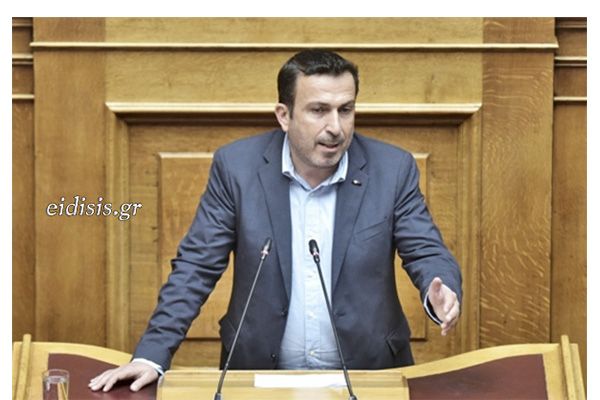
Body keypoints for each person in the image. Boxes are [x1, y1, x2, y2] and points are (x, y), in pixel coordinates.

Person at [90, 49, 462, 393]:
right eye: (319, 110)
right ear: (284, 115)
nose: (336, 127)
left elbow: (426, 250)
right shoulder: (237, 168)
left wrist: (441, 290)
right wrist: (151, 355)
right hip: (258, 377)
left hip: (367, 376)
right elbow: (196, 266)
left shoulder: (392, 169)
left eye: (345, 110)